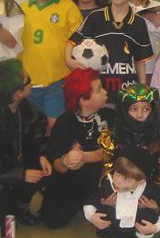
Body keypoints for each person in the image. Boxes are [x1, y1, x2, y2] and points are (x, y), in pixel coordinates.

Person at [0, 59, 52, 231]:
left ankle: (21, 206)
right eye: (28, 80)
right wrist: (22, 175)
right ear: (17, 94)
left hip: (14, 171)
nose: (31, 82)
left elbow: (37, 134)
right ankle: (6, 208)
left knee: (46, 165)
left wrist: (42, 155)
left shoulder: (25, 108)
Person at [66, 0, 153, 104]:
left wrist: (142, 91)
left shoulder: (139, 23)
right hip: (99, 93)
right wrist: (68, 60)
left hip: (127, 93)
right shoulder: (96, 17)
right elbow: (72, 42)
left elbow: (140, 61)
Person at [41, 68, 113, 229]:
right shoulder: (64, 121)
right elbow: (56, 164)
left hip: (101, 177)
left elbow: (114, 152)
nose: (105, 92)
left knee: (111, 219)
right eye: (99, 89)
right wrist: (66, 161)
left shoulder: (110, 117)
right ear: (84, 100)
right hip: (73, 179)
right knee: (52, 220)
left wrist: (86, 157)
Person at [84, 146, 160, 238]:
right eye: (117, 173)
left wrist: (155, 227)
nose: (117, 181)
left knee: (147, 212)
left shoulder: (151, 189)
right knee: (104, 210)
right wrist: (92, 217)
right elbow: (90, 202)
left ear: (141, 181)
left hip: (139, 229)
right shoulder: (108, 185)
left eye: (126, 179)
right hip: (111, 226)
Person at [21, 0, 83, 131]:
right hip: (29, 82)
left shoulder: (68, 7)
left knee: (54, 127)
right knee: (32, 130)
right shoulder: (23, 9)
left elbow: (78, 43)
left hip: (58, 80)